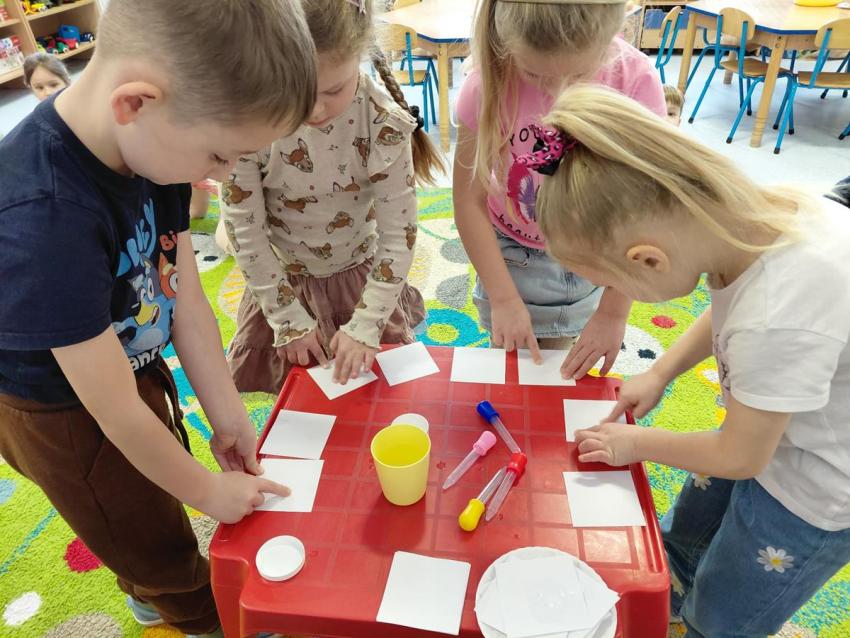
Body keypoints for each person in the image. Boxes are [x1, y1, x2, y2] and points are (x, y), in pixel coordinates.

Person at [0, 1, 317, 635]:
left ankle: (147, 578)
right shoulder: (44, 216)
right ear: (135, 103)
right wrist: (207, 493)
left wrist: (227, 413)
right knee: (140, 529)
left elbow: (186, 301)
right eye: (220, 156)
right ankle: (197, 611)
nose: (224, 176)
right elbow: (114, 411)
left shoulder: (154, 147)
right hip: (61, 412)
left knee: (155, 477)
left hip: (124, 360)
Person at [534, 84, 850, 638]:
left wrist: (637, 444)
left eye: (612, 284)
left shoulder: (777, 314)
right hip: (770, 427)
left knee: (727, 610)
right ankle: (677, 584)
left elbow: (741, 454)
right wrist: (661, 371)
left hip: (817, 487)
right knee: (687, 533)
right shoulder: (745, 226)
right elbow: (727, 308)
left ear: (649, 260)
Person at [220, 0, 445, 393]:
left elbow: (399, 236)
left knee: (376, 392)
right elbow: (245, 232)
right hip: (280, 283)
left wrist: (368, 322)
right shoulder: (249, 118)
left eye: (334, 89)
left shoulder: (383, 122)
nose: (314, 109)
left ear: (361, 55)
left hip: (360, 281)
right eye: (294, 89)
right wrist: (286, 317)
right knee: (298, 395)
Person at [453, 0, 666, 379]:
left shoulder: (635, 82)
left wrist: (614, 312)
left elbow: (649, 211)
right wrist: (503, 298)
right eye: (535, 74)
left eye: (580, 74)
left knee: (561, 366)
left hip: (598, 252)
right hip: (511, 252)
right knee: (516, 369)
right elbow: (469, 200)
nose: (558, 93)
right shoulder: (486, 82)